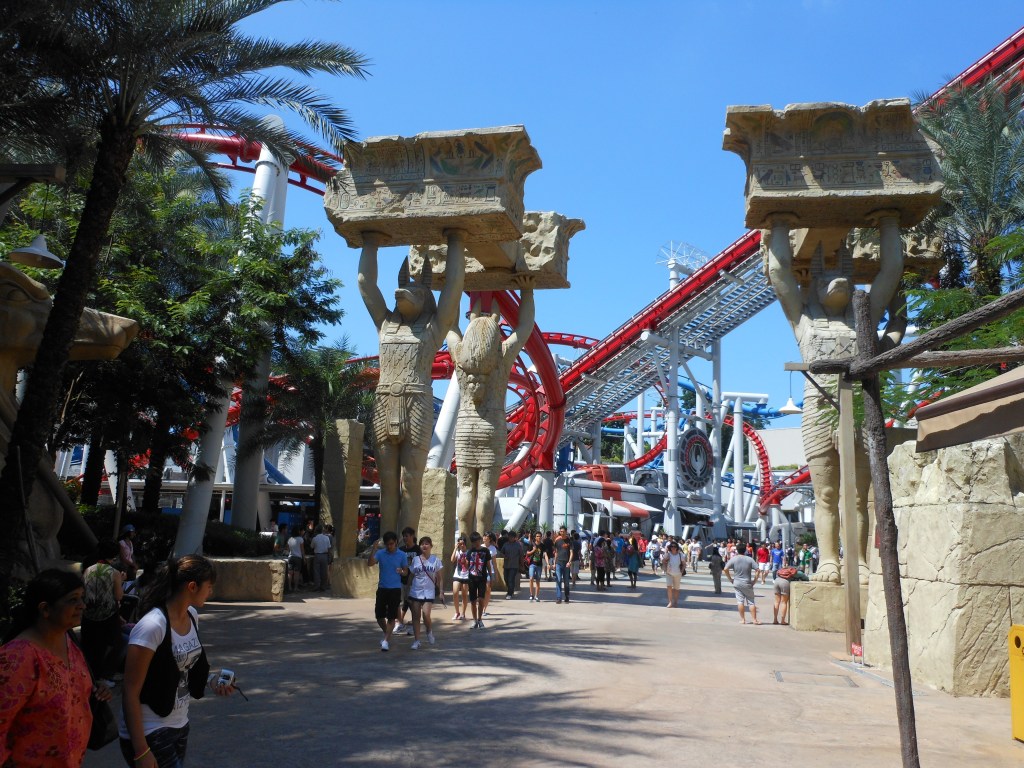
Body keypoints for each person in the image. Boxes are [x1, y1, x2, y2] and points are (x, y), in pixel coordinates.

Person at [120, 555, 236, 767]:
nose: (210, 592)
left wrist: (211, 680)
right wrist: (141, 750)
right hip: (150, 729)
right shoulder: (152, 626)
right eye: (209, 586)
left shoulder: (191, 616)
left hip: (180, 723)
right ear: (192, 586)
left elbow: (182, 667)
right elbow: (130, 691)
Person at [0, 569, 112, 768]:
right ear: (45, 609)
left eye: (82, 598)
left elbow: (70, 688)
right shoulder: (17, 658)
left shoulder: (68, 640)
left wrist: (95, 691)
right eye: (73, 600)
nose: (82, 605)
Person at [81, 539, 125, 685]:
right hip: (107, 616)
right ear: (115, 555)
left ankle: (87, 675)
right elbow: (118, 596)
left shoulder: (88, 570)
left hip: (88, 614)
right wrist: (121, 581)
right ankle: (104, 677)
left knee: (90, 647)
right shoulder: (114, 572)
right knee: (115, 644)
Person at [367, 532, 408, 651]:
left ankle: (385, 640)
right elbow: (370, 564)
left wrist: (401, 571)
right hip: (382, 588)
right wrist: (374, 549)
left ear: (396, 542)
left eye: (392, 544)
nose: (390, 546)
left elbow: (406, 571)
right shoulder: (380, 553)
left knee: (391, 616)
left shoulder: (402, 555)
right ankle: (387, 633)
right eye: (387, 544)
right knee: (379, 615)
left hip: (395, 589)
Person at [407, 537, 444, 649]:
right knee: (416, 616)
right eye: (422, 544)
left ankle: (429, 630)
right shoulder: (415, 560)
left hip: (429, 591)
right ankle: (417, 640)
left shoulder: (435, 560)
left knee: (426, 614)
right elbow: (411, 576)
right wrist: (407, 591)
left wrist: (441, 592)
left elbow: (440, 578)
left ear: (431, 546)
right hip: (416, 591)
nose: (424, 546)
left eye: (427, 544)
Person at [724, 542, 761, 625]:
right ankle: (754, 619)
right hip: (747, 582)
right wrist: (754, 581)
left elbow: (725, 569)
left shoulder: (734, 559)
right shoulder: (749, 559)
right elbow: (758, 570)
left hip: (737, 582)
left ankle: (743, 619)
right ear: (745, 550)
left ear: (737, 550)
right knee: (751, 602)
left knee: (740, 601)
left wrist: (730, 579)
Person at [395, 528, 421, 635]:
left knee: (413, 604)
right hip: (401, 580)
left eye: (407, 536)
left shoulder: (418, 550)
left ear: (412, 536)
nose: (405, 538)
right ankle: (399, 623)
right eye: (404, 536)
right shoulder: (400, 550)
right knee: (399, 602)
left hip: (415, 581)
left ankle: (415, 626)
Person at [466, 533, 492, 629]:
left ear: (480, 540)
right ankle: (474, 620)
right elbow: (467, 565)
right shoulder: (470, 551)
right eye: (474, 541)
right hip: (472, 579)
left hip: (482, 578)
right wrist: (464, 563)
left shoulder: (485, 551)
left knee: (481, 600)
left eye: (477, 540)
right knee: (473, 601)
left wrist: (491, 576)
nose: (476, 543)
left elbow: (488, 564)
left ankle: (480, 620)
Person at [500, 530, 524, 599]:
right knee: (506, 579)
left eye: (512, 537)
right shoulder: (505, 544)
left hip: (514, 566)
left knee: (511, 579)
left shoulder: (518, 545)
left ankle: (510, 593)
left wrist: (522, 565)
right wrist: (504, 556)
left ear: (514, 537)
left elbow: (521, 556)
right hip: (506, 565)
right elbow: (501, 553)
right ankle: (511, 590)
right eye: (509, 537)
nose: (510, 538)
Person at [450, 537, 470, 620]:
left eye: (463, 543)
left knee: (464, 595)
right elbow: (452, 560)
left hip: (466, 575)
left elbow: (469, 565)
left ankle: (463, 613)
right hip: (457, 575)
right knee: (455, 593)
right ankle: (457, 612)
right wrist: (455, 548)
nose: (462, 545)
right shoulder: (457, 552)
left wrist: (465, 560)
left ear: (465, 544)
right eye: (460, 544)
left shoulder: (469, 552)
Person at [552, 526, 573, 604]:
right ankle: (559, 598)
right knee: (558, 580)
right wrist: (554, 563)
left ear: (566, 532)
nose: (562, 533)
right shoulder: (557, 541)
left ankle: (567, 596)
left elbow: (571, 552)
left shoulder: (569, 541)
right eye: (561, 531)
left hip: (566, 564)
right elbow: (556, 553)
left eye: (563, 531)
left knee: (566, 582)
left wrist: (569, 562)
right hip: (558, 563)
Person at [662, 540, 685, 608]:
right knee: (669, 587)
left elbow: (684, 564)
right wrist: (665, 569)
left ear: (677, 547)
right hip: (669, 573)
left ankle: (675, 602)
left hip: (678, 573)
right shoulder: (668, 554)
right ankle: (670, 602)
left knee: (676, 589)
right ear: (670, 547)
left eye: (674, 546)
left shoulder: (680, 555)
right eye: (672, 546)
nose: (673, 548)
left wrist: (681, 571)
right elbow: (663, 561)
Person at [310, 525, 332, 592]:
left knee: (316, 572)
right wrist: (329, 557)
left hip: (317, 555)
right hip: (324, 556)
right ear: (322, 530)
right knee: (324, 572)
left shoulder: (314, 538)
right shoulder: (326, 538)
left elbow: (311, 547)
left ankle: (316, 586)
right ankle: (323, 587)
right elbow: (329, 548)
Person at [526, 532, 544, 602]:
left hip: (539, 565)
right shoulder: (531, 544)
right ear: (535, 537)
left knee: (538, 580)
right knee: (531, 578)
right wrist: (533, 550)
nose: (539, 537)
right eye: (537, 536)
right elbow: (527, 553)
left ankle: (536, 596)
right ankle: (531, 595)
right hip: (532, 564)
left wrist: (548, 563)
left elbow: (545, 554)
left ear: (541, 537)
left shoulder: (542, 545)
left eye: (540, 536)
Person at [286, 526, 304, 592]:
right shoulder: (300, 539)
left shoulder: (289, 539)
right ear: (298, 532)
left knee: (290, 573)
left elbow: (287, 549)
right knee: (296, 573)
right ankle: (295, 588)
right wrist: (304, 558)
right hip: (298, 558)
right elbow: (302, 550)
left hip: (290, 557)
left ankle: (289, 587)